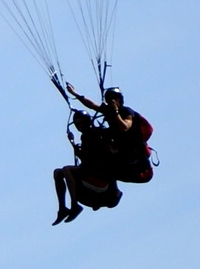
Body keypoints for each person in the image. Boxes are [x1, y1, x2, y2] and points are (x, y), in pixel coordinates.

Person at [51, 78, 154, 224]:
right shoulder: (103, 118)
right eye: (108, 100)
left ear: (119, 100)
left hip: (129, 159)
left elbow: (125, 127)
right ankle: (63, 209)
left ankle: (75, 206)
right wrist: (75, 94)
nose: (110, 102)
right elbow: (92, 105)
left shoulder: (126, 112)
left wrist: (115, 112)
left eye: (113, 99)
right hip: (104, 166)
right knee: (58, 173)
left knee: (67, 170)